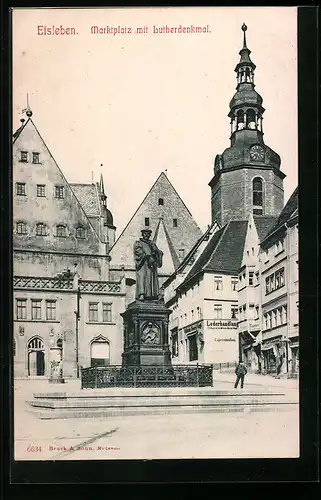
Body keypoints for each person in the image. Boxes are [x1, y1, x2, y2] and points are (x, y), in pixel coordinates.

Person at [133, 228, 163, 301]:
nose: (146, 235)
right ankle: (142, 294)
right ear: (142, 234)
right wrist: (147, 256)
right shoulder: (138, 243)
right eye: (145, 233)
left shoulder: (152, 244)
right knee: (142, 278)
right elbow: (138, 252)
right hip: (143, 264)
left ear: (150, 235)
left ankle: (152, 295)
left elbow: (158, 253)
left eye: (148, 234)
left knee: (151, 279)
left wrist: (157, 252)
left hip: (152, 265)